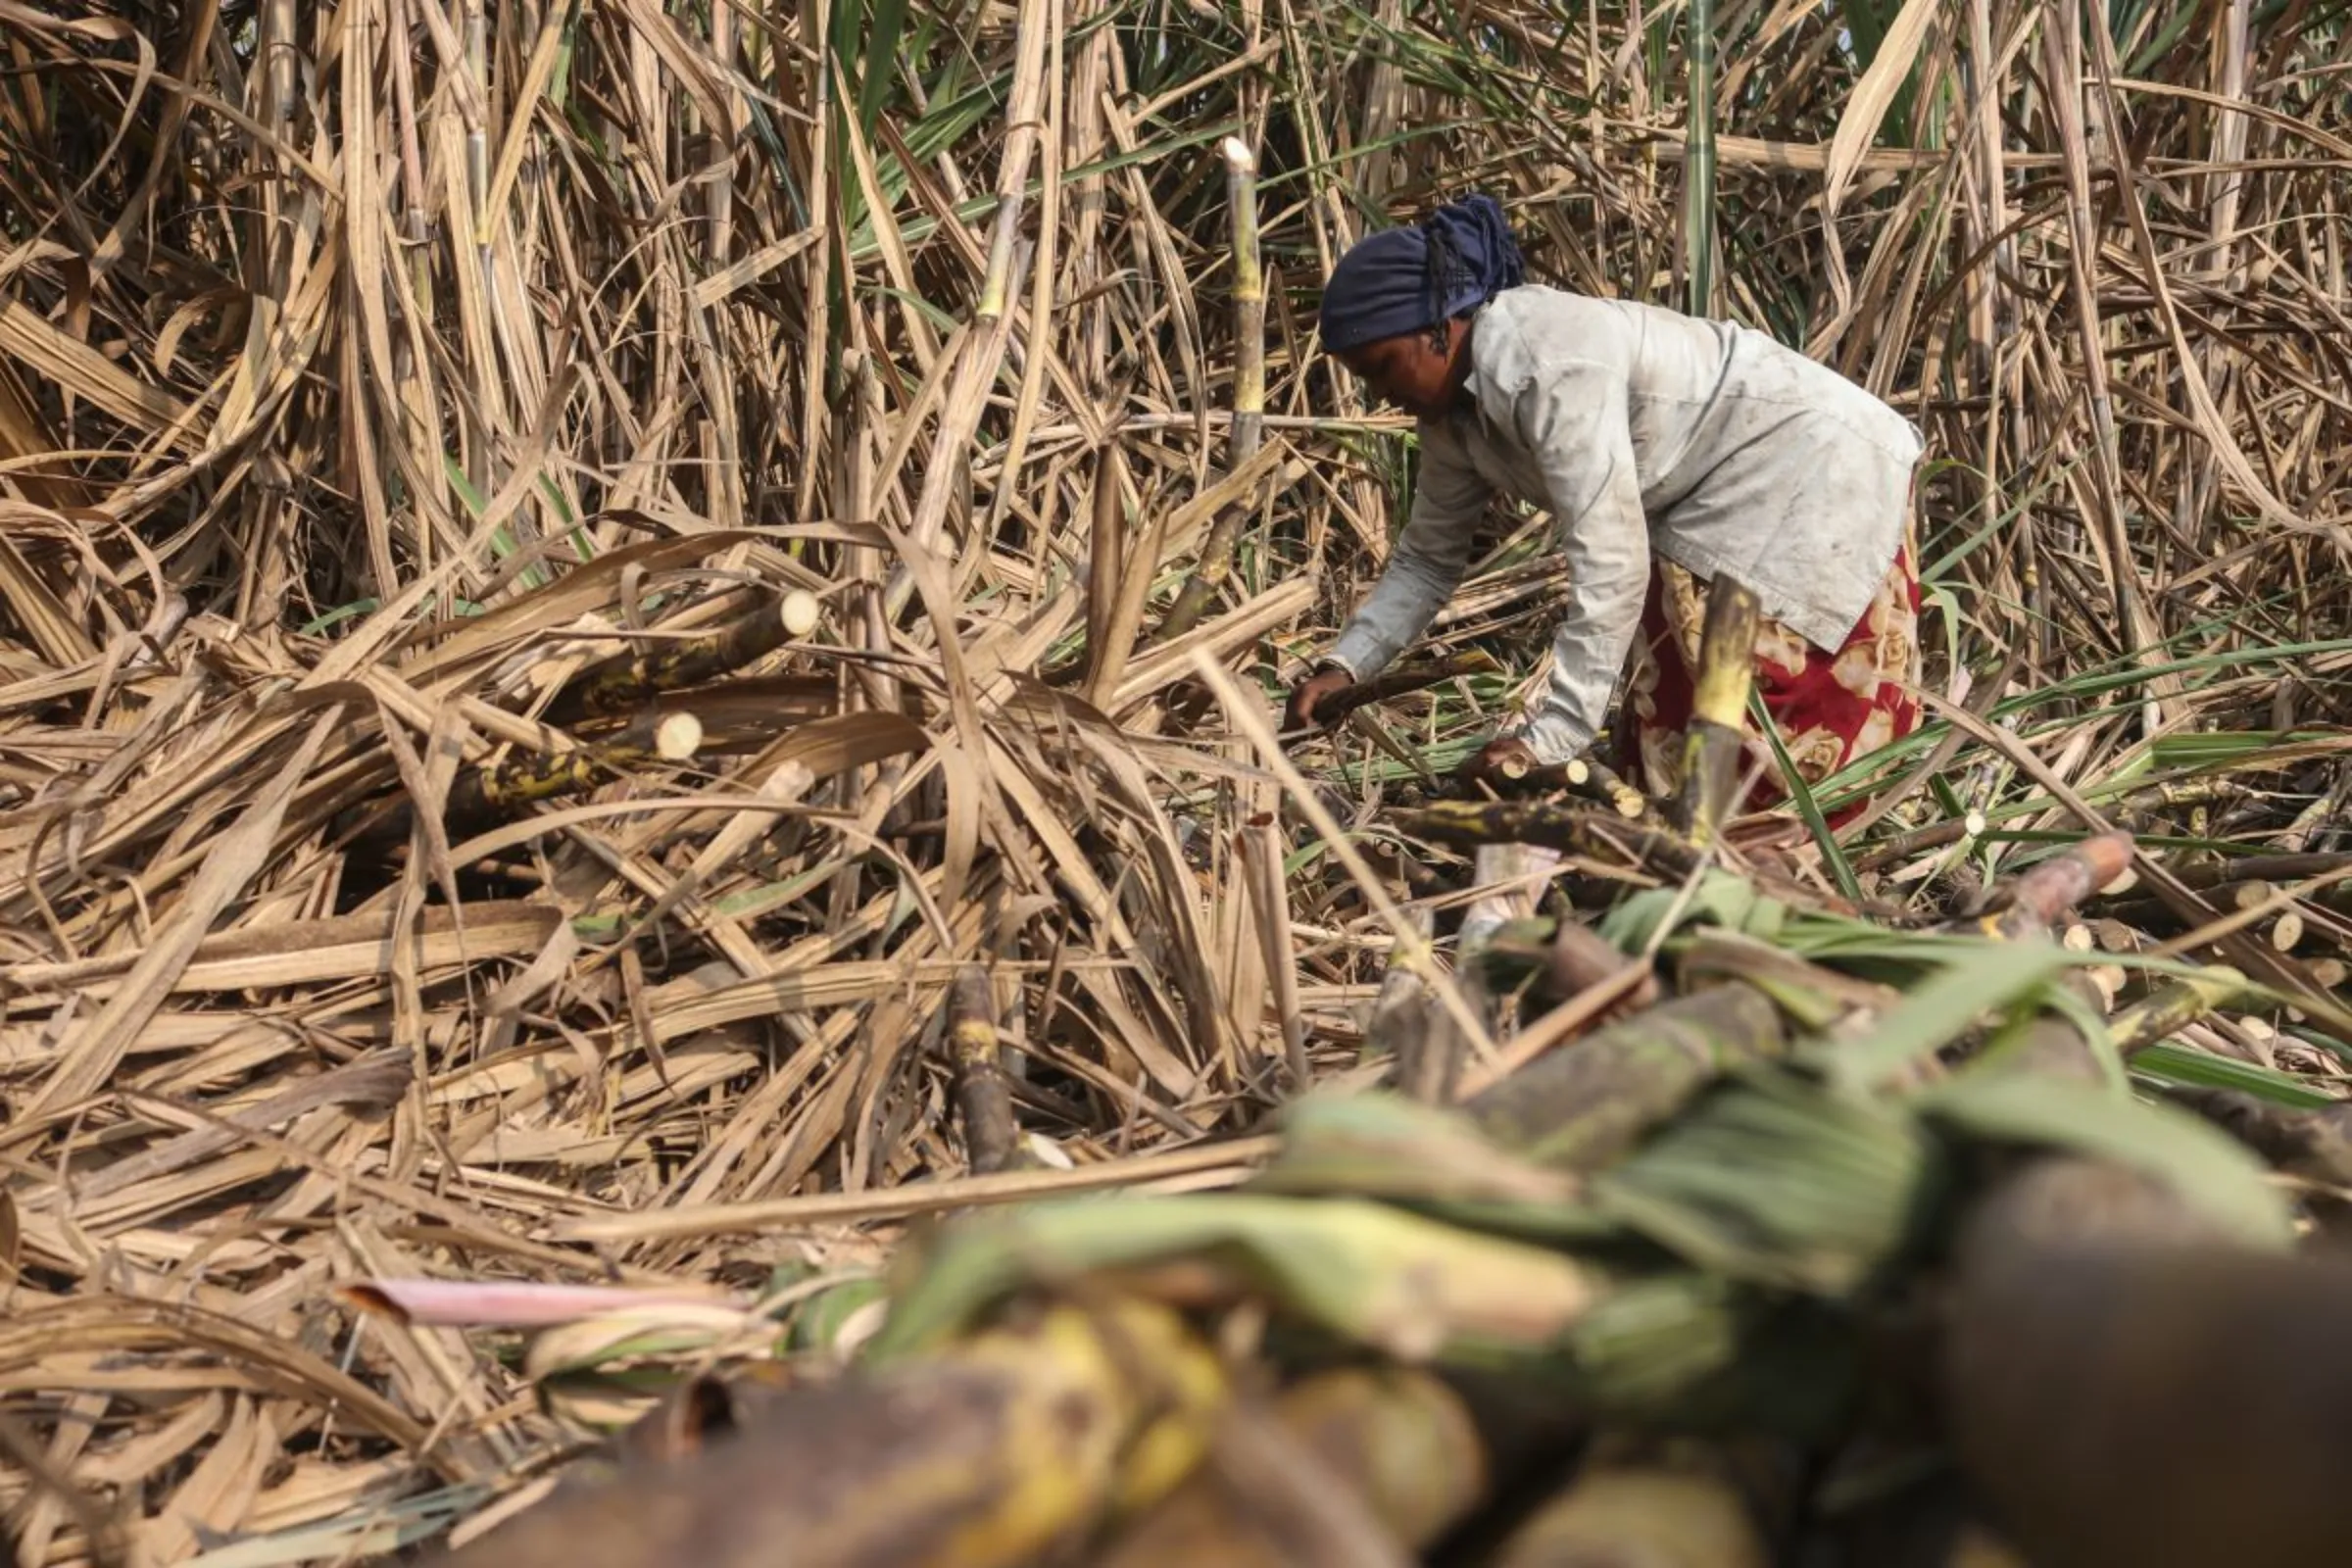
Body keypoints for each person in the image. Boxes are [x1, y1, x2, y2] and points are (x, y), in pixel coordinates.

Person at [1286, 195, 1926, 810]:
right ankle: (1685, 856)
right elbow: (1427, 561)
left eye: (1382, 368)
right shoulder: (1452, 418)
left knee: (1779, 700)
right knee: (1677, 699)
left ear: (1437, 327)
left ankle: (1785, 866)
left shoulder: (1548, 364)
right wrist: (1346, 666)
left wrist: (1549, 738)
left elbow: (1610, 561)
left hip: (1811, 461)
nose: (1380, 395)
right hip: (1712, 495)